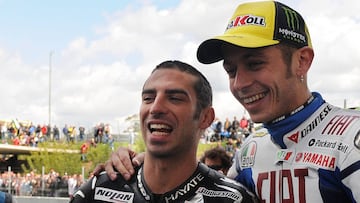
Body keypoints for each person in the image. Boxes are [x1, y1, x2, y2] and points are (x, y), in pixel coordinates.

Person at [97, 1, 360, 202]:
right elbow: (206, 187)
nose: (239, 83)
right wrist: (146, 164)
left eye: (255, 64)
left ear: (302, 61)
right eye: (231, 70)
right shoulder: (250, 151)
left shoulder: (351, 138)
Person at [71, 60, 257, 203]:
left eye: (175, 98)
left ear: (205, 118)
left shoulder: (232, 199)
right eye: (148, 98)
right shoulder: (99, 189)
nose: (155, 108)